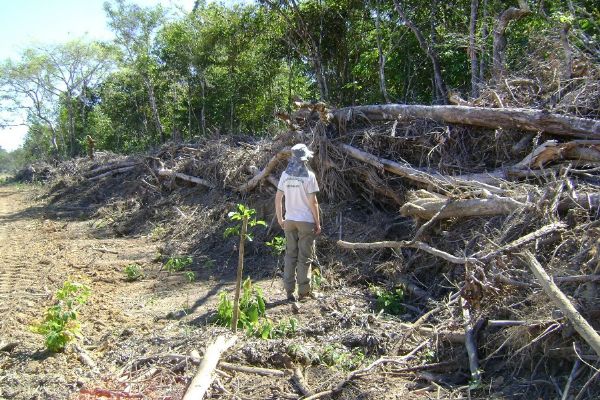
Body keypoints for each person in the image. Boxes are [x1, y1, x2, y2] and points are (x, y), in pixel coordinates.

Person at [275, 143, 321, 302]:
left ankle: (289, 292)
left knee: (290, 255)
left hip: (289, 220)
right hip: (305, 221)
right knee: (304, 258)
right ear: (305, 158)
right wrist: (318, 222)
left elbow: (278, 198)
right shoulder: (309, 176)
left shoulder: (285, 175)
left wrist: (280, 218)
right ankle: (303, 292)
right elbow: (313, 202)